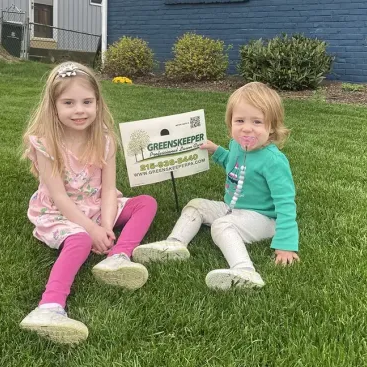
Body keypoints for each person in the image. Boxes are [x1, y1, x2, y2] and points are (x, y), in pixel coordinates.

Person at [20, 62, 157, 344]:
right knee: (80, 239)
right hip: (59, 211)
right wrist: (92, 231)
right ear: (54, 106)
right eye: (68, 102)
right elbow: (59, 197)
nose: (79, 110)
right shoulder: (46, 143)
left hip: (96, 204)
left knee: (146, 203)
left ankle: (117, 258)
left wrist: (105, 228)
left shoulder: (105, 139)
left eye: (87, 102)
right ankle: (48, 307)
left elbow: (109, 191)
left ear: (97, 102)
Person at [132, 82, 299, 290]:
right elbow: (235, 164)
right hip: (233, 207)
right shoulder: (237, 145)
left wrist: (286, 244)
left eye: (257, 121)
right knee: (196, 205)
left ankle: (246, 271)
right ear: (230, 123)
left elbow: (285, 204)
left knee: (222, 225)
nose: (247, 128)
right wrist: (217, 151)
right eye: (239, 120)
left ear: (272, 126)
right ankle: (174, 243)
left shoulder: (274, 161)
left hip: (263, 218)